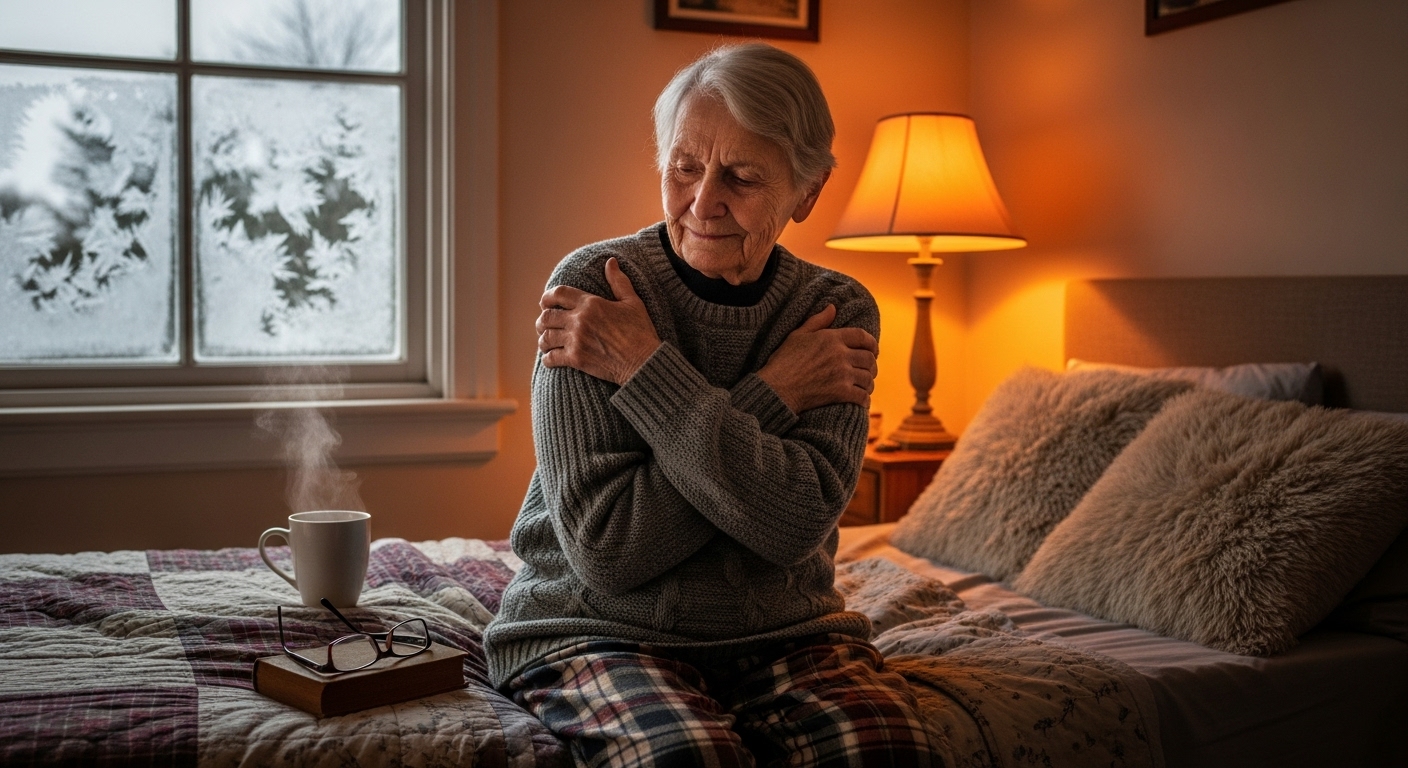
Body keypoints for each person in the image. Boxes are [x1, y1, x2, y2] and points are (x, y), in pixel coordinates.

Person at [483, 42, 937, 767]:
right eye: (683, 168)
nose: (703, 202)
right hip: (595, 627)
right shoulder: (596, 291)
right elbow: (609, 548)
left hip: (787, 632)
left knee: (888, 748)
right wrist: (776, 390)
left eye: (743, 176)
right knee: (688, 760)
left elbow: (791, 525)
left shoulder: (835, 310)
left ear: (808, 191)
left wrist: (644, 372)